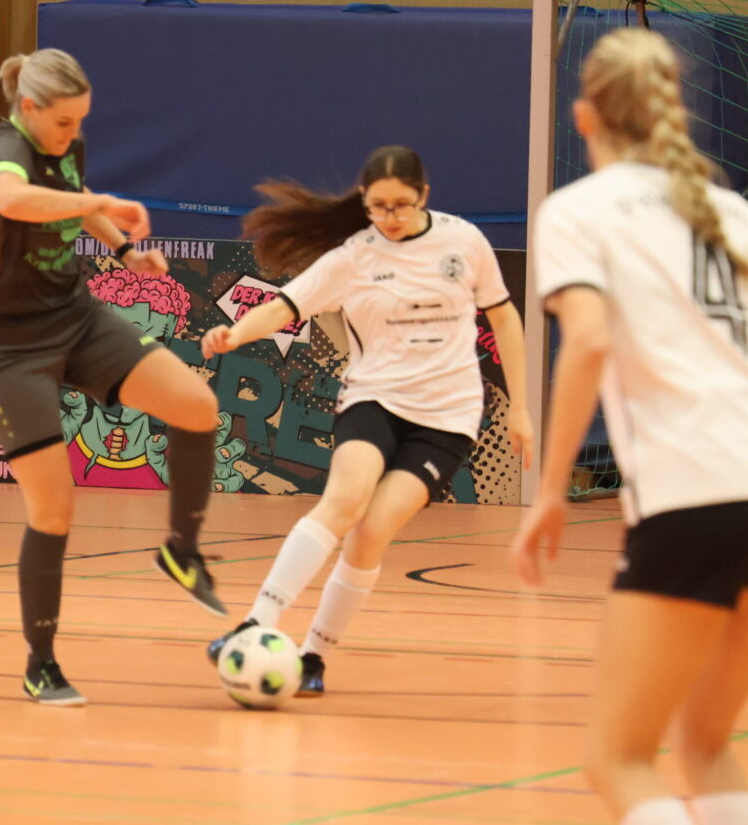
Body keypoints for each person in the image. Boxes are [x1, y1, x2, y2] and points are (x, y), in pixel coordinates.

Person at [512, 28, 748, 825]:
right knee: (704, 743)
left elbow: (589, 342)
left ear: (583, 116)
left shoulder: (579, 211)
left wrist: (550, 490)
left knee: (618, 760)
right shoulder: (744, 221)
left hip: (694, 489)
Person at [204, 144, 533, 694]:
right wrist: (233, 334)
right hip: (374, 399)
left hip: (447, 417)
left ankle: (314, 657)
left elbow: (504, 318)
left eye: (401, 205)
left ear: (424, 196)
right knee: (344, 501)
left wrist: (519, 407)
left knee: (372, 532)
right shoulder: (352, 257)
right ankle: (255, 622)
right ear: (364, 201)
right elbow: (285, 307)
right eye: (378, 207)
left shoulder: (464, 242)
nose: (390, 217)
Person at [0, 48, 227, 707]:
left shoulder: (64, 149)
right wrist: (104, 198)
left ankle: (182, 551)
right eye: (63, 122)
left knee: (196, 405)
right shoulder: (5, 150)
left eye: (81, 121)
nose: (74, 133)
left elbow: (73, 206)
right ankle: (41, 665)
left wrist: (124, 249)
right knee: (54, 510)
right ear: (29, 108)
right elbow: (13, 199)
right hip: (12, 349)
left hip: (76, 320)